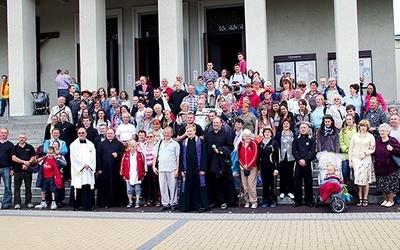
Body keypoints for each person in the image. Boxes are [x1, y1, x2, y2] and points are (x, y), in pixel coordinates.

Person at [205, 117, 236, 210]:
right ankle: (213, 201)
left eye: (217, 122)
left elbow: (230, 147)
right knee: (211, 183)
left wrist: (221, 150)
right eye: (214, 122)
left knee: (222, 183)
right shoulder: (208, 135)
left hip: (222, 163)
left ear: (221, 123)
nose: (215, 124)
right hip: (210, 163)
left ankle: (223, 201)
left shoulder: (226, 134)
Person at [178, 124, 209, 212]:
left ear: (195, 131)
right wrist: (181, 170)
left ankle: (199, 205)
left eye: (191, 131)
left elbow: (204, 156)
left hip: (198, 168)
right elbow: (181, 157)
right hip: (187, 168)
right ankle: (187, 206)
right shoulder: (183, 143)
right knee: (187, 186)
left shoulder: (201, 142)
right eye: (187, 131)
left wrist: (203, 169)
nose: (189, 133)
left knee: (198, 186)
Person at [348, 119, 376, 207]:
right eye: (361, 126)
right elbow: (350, 148)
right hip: (356, 159)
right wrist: (350, 160)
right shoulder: (355, 136)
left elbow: (373, 149)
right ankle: (360, 198)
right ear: (359, 126)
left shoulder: (370, 136)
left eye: (364, 126)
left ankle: (366, 198)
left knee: (366, 180)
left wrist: (365, 153)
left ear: (367, 127)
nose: (363, 128)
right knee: (359, 180)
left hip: (366, 159)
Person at [96, 128, 126, 208]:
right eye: (108, 133)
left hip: (116, 169)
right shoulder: (101, 144)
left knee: (118, 185)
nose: (109, 135)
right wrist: (99, 168)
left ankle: (119, 202)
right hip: (105, 169)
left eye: (111, 133)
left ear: (114, 134)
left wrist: (118, 154)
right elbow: (98, 157)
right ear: (106, 134)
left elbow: (123, 153)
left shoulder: (119, 144)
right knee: (105, 186)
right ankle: (106, 203)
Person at [153, 126, 180, 211]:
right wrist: (154, 166)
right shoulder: (159, 143)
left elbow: (177, 157)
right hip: (161, 168)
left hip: (172, 168)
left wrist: (177, 169)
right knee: (163, 187)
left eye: (168, 132)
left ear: (172, 134)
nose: (166, 134)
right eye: (165, 132)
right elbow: (155, 155)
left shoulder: (175, 144)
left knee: (172, 187)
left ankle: (173, 203)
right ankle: (165, 203)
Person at [70, 127, 96, 211]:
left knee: (88, 186)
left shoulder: (91, 144)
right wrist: (82, 165)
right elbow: (73, 157)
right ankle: (77, 205)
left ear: (86, 133)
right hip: (78, 170)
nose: (81, 134)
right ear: (77, 134)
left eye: (83, 133)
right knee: (78, 186)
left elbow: (93, 156)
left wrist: (88, 164)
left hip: (88, 169)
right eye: (79, 133)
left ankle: (89, 205)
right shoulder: (73, 145)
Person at [374, 123, 400, 207]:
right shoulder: (377, 141)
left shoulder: (392, 140)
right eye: (380, 131)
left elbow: (399, 151)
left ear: (388, 132)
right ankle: (385, 199)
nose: (382, 132)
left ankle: (391, 200)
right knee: (381, 185)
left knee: (392, 185)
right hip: (380, 166)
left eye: (383, 131)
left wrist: (393, 149)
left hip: (391, 167)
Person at [292, 123, 316, 207]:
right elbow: (294, 152)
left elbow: (313, 152)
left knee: (308, 183)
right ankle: (297, 201)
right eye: (301, 128)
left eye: (304, 128)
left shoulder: (311, 140)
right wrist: (299, 160)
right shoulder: (296, 140)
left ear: (308, 129)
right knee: (297, 183)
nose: (302, 129)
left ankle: (308, 201)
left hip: (308, 163)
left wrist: (305, 160)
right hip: (298, 164)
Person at [11, 133, 36, 210]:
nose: (22, 139)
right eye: (21, 138)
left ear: (26, 139)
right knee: (17, 188)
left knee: (28, 187)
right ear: (18, 138)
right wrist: (24, 162)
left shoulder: (30, 147)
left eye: (23, 138)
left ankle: (28, 202)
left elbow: (33, 156)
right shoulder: (14, 148)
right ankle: (17, 203)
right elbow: (13, 158)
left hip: (27, 170)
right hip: (17, 170)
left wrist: (28, 163)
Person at [120, 140, 146, 208]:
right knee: (129, 189)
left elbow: (143, 164)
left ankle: (137, 201)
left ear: (136, 146)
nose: (132, 148)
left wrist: (143, 173)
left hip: (137, 173)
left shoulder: (140, 154)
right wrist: (122, 174)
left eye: (134, 146)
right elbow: (122, 164)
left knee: (137, 188)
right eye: (131, 146)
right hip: (128, 173)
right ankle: (130, 201)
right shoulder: (125, 154)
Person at [258, 127, 280, 208]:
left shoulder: (274, 143)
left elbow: (278, 156)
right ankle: (265, 201)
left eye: (268, 132)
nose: (267, 133)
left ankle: (273, 201)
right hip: (263, 167)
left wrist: (277, 168)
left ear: (271, 134)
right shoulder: (261, 144)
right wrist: (259, 168)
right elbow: (259, 157)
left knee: (272, 185)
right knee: (265, 185)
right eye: (265, 132)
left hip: (272, 167)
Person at [238, 129, 259, 209]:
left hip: (252, 167)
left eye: (249, 136)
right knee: (245, 186)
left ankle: (254, 201)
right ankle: (247, 201)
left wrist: (249, 165)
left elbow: (255, 156)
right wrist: (243, 165)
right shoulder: (240, 144)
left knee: (251, 185)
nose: (247, 137)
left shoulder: (253, 144)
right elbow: (239, 156)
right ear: (243, 137)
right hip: (243, 167)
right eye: (246, 136)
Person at [275, 118, 295, 200]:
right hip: (282, 156)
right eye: (284, 124)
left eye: (287, 123)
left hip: (291, 157)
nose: (286, 125)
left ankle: (290, 191)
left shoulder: (293, 134)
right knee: (283, 174)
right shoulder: (279, 134)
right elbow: (276, 144)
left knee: (290, 174)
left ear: (290, 125)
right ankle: (282, 191)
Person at [141, 131, 161, 206]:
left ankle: (158, 199)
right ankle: (150, 199)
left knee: (156, 183)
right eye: (148, 137)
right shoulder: (144, 146)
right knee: (149, 184)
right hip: (148, 167)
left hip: (155, 166)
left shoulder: (157, 145)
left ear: (154, 137)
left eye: (151, 137)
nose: (149, 138)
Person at [339, 114, 358, 181]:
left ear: (353, 120)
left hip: (355, 154)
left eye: (350, 119)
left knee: (356, 174)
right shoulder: (343, 130)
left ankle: (355, 189)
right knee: (345, 172)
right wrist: (346, 149)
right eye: (347, 119)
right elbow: (341, 141)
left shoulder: (357, 129)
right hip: (346, 155)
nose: (348, 121)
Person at [0, 128, 13, 209]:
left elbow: (12, 158)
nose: (3, 134)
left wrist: (12, 169)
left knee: (7, 186)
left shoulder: (10, 145)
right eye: (2, 133)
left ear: (7, 134)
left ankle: (6, 203)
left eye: (5, 133)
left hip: (6, 168)